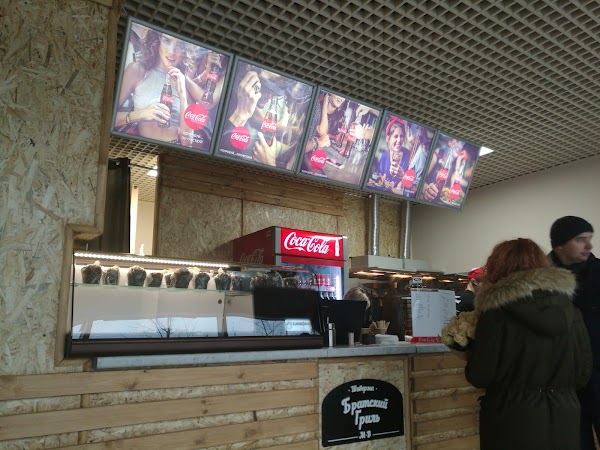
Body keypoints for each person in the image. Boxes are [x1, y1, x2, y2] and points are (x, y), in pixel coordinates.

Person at [465, 238, 592, 450]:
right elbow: (583, 374)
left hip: (511, 420)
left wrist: (470, 350)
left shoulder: (496, 313)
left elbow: (480, 375)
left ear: (497, 268)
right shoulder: (571, 311)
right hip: (565, 419)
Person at [548, 215, 600, 449]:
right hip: (563, 378)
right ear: (559, 245)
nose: (589, 245)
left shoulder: (598, 273)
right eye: (580, 240)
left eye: (589, 238)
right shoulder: (541, 280)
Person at [114, 28, 196, 146]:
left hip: (174, 151)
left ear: (185, 51)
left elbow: (188, 142)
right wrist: (142, 114)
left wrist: (182, 94)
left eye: (179, 46)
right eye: (167, 41)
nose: (172, 52)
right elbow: (107, 117)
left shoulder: (186, 84)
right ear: (157, 41)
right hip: (139, 148)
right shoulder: (137, 70)